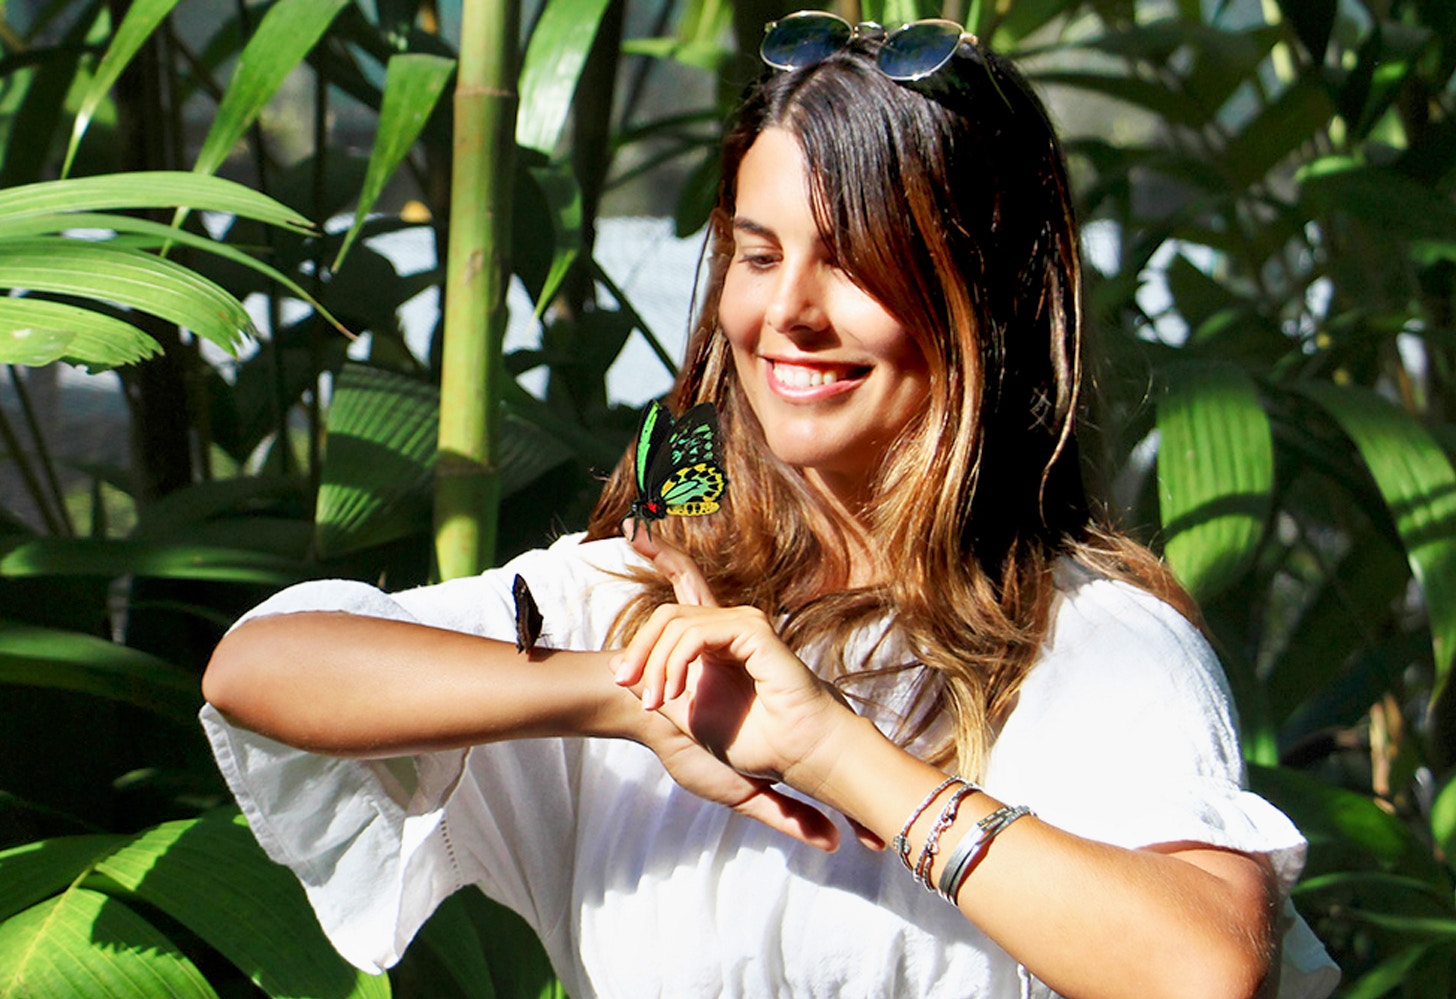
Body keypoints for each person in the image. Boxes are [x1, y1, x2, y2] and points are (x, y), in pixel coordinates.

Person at [201, 13, 1339, 998]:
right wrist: (631, 700)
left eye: (850, 261)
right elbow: (260, 670)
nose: (788, 310)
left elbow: (1205, 970)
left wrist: (829, 749)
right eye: (756, 254)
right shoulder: (651, 598)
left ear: (978, 292)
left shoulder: (1089, 643)